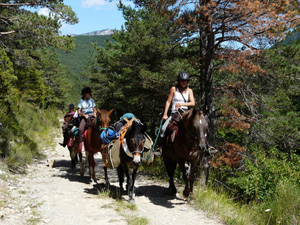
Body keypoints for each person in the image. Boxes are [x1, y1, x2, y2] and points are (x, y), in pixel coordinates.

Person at [160, 72, 195, 138]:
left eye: (185, 81)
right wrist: (165, 114)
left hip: (185, 113)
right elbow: (168, 102)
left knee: (197, 127)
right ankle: (162, 147)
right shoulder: (174, 89)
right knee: (163, 130)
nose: (183, 82)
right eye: (182, 80)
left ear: (187, 82)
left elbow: (193, 103)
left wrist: (182, 104)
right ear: (179, 81)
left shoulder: (190, 91)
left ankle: (204, 146)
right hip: (175, 113)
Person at [78, 87, 96, 152]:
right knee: (80, 129)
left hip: (92, 116)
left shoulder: (91, 101)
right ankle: (81, 144)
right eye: (88, 93)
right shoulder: (81, 101)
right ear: (84, 94)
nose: (89, 95)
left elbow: (94, 108)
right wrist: (84, 115)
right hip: (85, 117)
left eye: (89, 93)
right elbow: (79, 112)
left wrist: (95, 113)